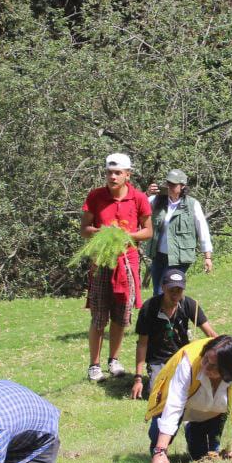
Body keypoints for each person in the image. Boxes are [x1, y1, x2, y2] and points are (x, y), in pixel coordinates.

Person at [81, 153, 153, 382]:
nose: (112, 177)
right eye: (109, 173)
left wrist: (128, 235)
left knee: (121, 314)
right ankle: (94, 365)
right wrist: (102, 232)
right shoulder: (96, 196)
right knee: (99, 315)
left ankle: (114, 360)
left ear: (127, 175)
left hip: (127, 262)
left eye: (117, 173)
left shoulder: (138, 198)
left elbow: (148, 231)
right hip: (102, 261)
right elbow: (84, 229)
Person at [145, 336, 232, 463]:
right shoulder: (188, 362)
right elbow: (174, 405)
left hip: (213, 410)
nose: (205, 366)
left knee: (203, 455)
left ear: (227, 370)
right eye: (205, 359)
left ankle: (192, 429)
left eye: (213, 365)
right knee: (157, 437)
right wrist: (160, 450)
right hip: (181, 403)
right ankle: (159, 452)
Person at [129, 268, 218, 401]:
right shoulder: (149, 308)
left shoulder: (189, 304)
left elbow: (211, 334)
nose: (175, 295)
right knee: (160, 395)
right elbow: (142, 344)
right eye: (171, 290)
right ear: (163, 288)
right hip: (158, 359)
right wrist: (138, 379)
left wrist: (228, 355)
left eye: (179, 291)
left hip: (183, 357)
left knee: (194, 388)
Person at [145, 169, 213, 298]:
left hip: (179, 258)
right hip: (158, 256)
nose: (169, 187)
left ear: (182, 186)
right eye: (168, 183)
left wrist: (207, 257)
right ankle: (165, 311)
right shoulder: (156, 201)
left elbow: (203, 230)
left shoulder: (192, 204)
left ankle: (175, 310)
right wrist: (147, 193)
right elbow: (138, 207)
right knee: (157, 293)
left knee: (163, 291)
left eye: (173, 184)